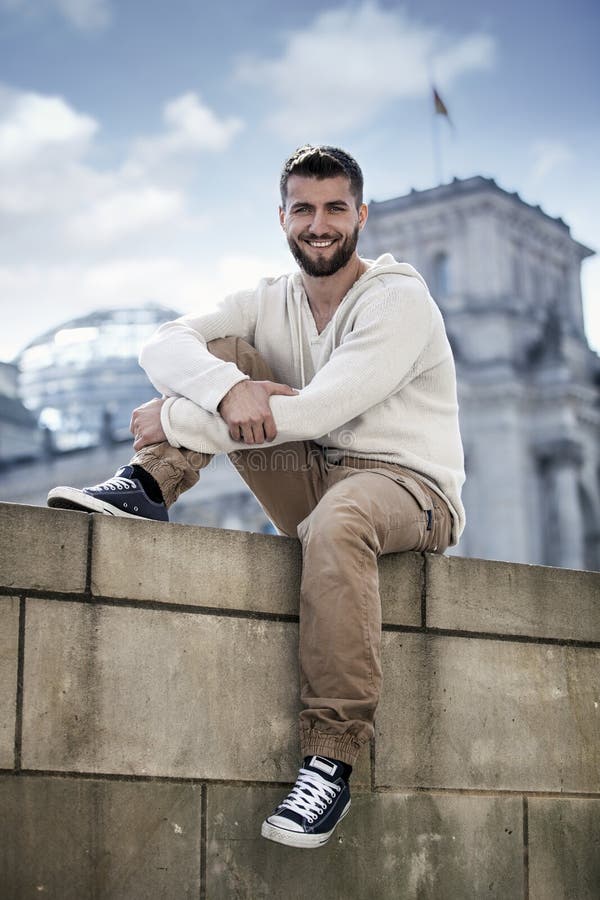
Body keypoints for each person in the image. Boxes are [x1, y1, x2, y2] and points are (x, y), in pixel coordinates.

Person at [48, 144, 465, 849]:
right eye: (304, 209)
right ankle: (150, 485)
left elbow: (319, 411)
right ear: (283, 217)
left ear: (361, 215)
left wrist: (174, 416)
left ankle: (330, 762)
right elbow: (163, 343)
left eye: (336, 208)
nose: (320, 224)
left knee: (341, 514)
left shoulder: (400, 301)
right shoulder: (268, 298)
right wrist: (225, 388)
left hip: (405, 486)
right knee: (227, 358)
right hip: (312, 478)